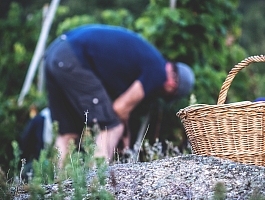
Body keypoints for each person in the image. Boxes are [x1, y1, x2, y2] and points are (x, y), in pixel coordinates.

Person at [44, 24, 195, 166]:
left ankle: (56, 188)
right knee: (111, 127)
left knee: (67, 132)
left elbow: (122, 107)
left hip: (56, 52)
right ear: (172, 86)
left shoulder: (150, 59)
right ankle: (96, 184)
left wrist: (125, 130)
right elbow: (120, 107)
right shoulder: (158, 72)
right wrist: (123, 133)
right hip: (73, 57)